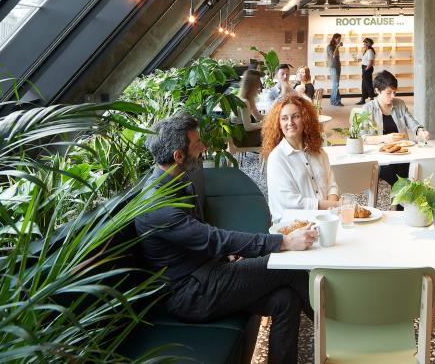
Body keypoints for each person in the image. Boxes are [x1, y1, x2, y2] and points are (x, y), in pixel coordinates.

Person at [135, 115, 317, 364]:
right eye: (198, 143)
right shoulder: (157, 205)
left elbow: (199, 236)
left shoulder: (175, 179)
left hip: (208, 273)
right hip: (191, 294)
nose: (204, 148)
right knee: (288, 268)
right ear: (178, 155)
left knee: (285, 300)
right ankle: (339, 330)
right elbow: (212, 237)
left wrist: (227, 255)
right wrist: (283, 241)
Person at [263, 94, 340, 222]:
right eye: (284, 118)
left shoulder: (319, 152)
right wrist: (334, 206)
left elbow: (332, 185)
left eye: (296, 116)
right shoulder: (277, 158)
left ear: (305, 119)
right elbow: (290, 202)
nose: (290, 123)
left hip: (326, 218)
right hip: (295, 226)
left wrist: (331, 212)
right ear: (279, 124)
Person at [362, 70, 430, 187]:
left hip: (402, 153)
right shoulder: (368, 108)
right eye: (388, 93)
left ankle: (403, 201)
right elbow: (363, 138)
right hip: (380, 156)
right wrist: (385, 138)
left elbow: (412, 122)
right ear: (377, 91)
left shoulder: (400, 104)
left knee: (416, 169)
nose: (393, 96)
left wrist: (421, 131)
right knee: (400, 180)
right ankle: (404, 201)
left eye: (394, 92)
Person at [232, 70, 263, 147]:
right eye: (258, 83)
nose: (260, 86)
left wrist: (273, 117)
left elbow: (258, 117)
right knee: (273, 135)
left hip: (243, 135)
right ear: (252, 86)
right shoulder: (244, 102)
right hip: (241, 138)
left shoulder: (247, 99)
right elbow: (248, 127)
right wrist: (263, 124)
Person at [357, 37, 376, 104]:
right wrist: (361, 60)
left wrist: (366, 69)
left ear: (368, 44)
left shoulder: (370, 51)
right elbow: (366, 60)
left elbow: (370, 62)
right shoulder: (367, 51)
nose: (364, 44)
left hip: (367, 69)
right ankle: (363, 99)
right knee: (364, 84)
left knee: (368, 84)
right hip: (365, 68)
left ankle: (372, 99)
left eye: (365, 43)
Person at [326, 33, 343, 106]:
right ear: (334, 39)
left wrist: (337, 46)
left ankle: (336, 100)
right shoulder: (329, 46)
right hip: (333, 67)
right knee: (335, 84)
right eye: (338, 39)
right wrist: (337, 47)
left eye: (340, 39)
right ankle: (334, 101)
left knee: (336, 84)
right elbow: (333, 55)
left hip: (337, 66)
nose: (339, 40)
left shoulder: (335, 46)